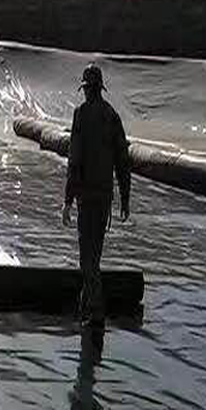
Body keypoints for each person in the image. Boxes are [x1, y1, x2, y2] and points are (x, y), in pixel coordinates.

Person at [63, 64, 130, 332]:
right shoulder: (112, 116)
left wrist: (67, 200)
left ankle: (95, 311)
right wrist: (125, 197)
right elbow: (123, 161)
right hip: (103, 197)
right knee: (95, 255)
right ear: (100, 88)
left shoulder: (80, 115)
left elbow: (74, 160)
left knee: (86, 258)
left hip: (86, 197)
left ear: (86, 89)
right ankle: (86, 305)